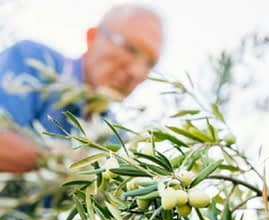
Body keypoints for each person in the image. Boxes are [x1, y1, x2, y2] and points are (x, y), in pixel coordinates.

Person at [0, 4, 163, 173]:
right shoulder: (32, 61)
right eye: (131, 48)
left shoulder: (118, 141)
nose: (138, 72)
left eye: (150, 64)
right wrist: (65, 163)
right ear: (93, 37)